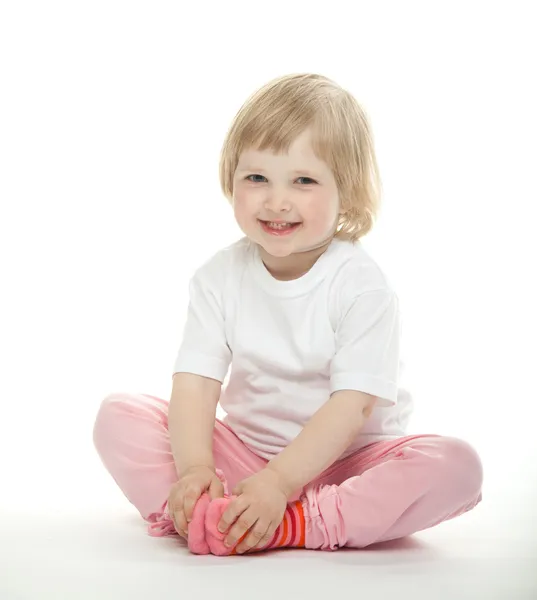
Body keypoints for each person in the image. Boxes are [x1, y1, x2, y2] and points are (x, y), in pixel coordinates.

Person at [93, 73, 483, 556]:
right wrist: (196, 467)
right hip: (246, 457)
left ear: (348, 191)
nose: (277, 200)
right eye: (256, 178)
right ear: (230, 179)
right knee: (119, 417)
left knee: (454, 466)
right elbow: (195, 382)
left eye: (304, 181)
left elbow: (353, 405)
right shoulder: (218, 277)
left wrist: (280, 484)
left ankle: (297, 524)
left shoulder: (361, 285)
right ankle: (205, 511)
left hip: (348, 464)